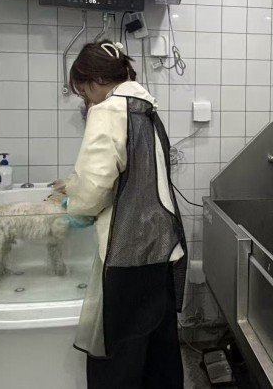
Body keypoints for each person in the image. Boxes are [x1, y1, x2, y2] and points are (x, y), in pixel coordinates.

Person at [56, 39, 187, 389]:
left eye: (83, 91)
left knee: (118, 360)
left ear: (97, 80)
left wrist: (73, 204)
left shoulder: (110, 110)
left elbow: (93, 188)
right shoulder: (145, 107)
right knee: (159, 357)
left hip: (128, 253)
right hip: (162, 246)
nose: (86, 100)